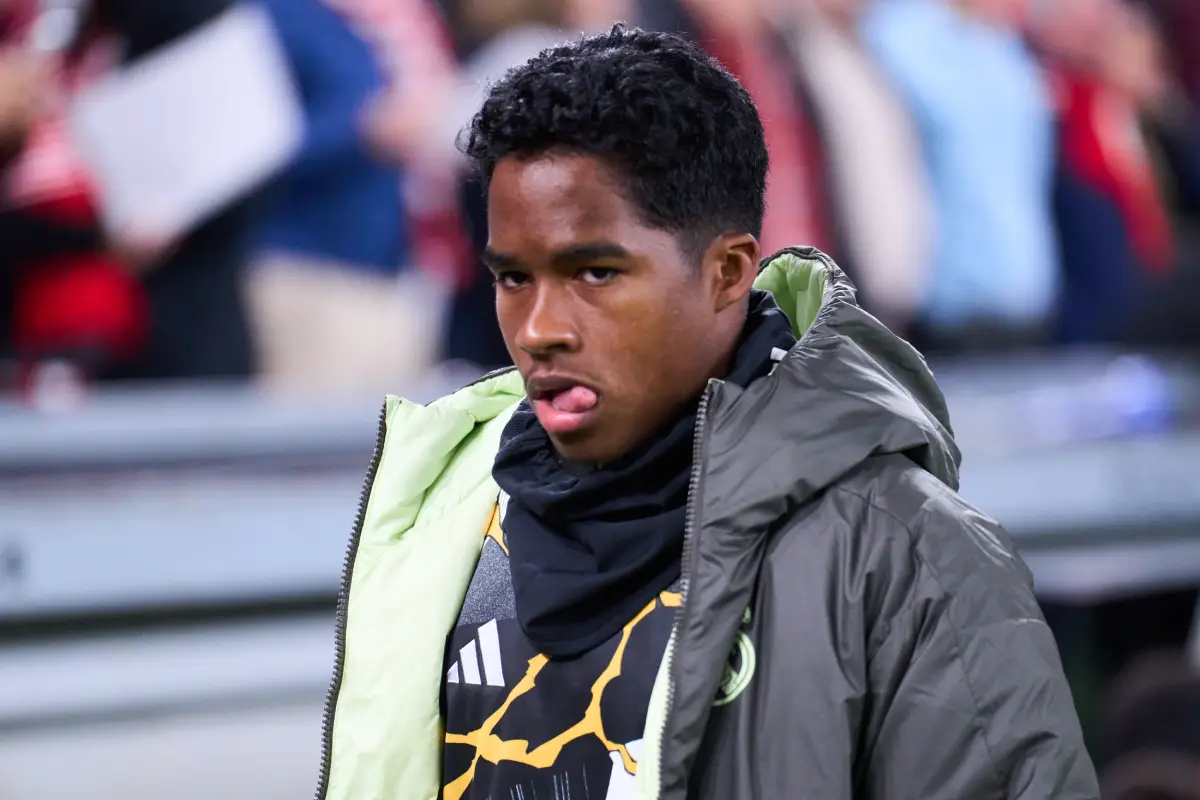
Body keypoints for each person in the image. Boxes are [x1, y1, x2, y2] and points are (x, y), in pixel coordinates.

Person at [315, 26, 1099, 800]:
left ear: (727, 273)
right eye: (513, 278)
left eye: (594, 271)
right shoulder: (440, 521)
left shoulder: (903, 552)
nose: (538, 328)